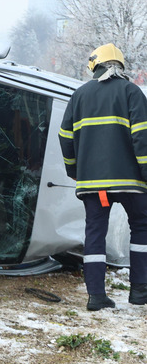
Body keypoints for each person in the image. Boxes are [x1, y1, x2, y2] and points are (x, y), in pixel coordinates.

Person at [59, 43, 147, 311]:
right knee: (142, 229)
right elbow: (142, 136)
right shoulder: (132, 92)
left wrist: (76, 172)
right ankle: (140, 292)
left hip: (93, 186)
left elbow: (65, 138)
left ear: (94, 67)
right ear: (120, 66)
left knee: (95, 233)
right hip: (131, 183)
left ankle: (96, 295)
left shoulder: (80, 96)